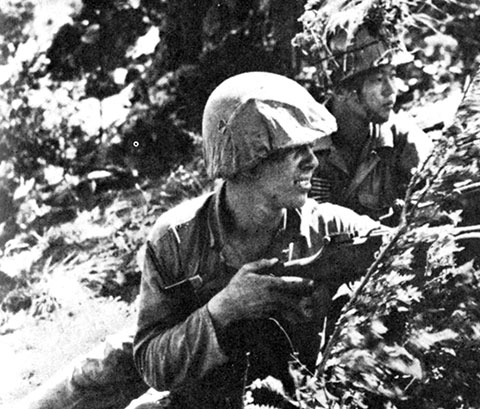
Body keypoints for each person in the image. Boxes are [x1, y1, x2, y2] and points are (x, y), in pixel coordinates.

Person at [131, 71, 378, 408]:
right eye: (293, 149)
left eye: (311, 147)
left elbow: (401, 250)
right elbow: (152, 364)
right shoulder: (175, 241)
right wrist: (224, 309)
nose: (313, 161)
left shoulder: (331, 227)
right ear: (246, 163)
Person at [308, 24, 433, 226]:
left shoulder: (404, 140)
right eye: (378, 79)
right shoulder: (304, 142)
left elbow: (432, 215)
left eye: (392, 75)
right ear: (341, 91)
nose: (391, 90)